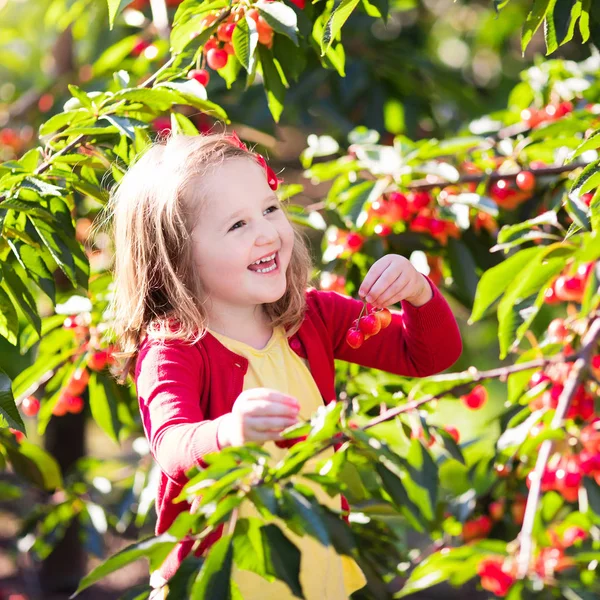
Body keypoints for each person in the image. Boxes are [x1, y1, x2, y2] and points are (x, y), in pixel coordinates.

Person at [107, 132, 462, 599]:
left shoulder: (311, 317)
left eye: (270, 209)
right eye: (237, 225)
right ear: (177, 256)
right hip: (224, 581)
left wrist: (418, 293)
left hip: (314, 568)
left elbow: (427, 356)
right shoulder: (173, 349)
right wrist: (228, 433)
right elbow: (172, 444)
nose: (268, 232)